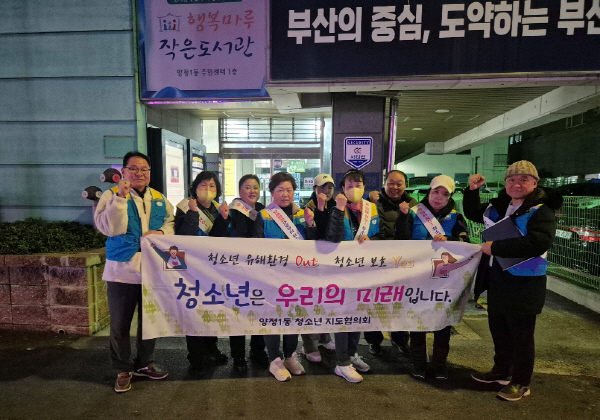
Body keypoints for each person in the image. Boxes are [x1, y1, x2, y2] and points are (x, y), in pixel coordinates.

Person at [463, 161, 561, 401]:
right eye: (511, 179)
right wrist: (472, 191)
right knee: (499, 329)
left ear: (535, 183)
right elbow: (474, 213)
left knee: (521, 336)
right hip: (498, 277)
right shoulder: (500, 206)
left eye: (523, 179)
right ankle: (501, 371)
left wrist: (496, 247)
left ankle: (521, 381)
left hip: (526, 281)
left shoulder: (541, 210)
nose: (516, 184)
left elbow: (538, 242)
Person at [95, 151, 174, 393]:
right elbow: (110, 228)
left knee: (150, 321)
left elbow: (171, 223)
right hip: (121, 270)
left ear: (150, 172)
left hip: (153, 270)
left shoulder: (159, 198)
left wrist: (161, 233)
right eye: (134, 168)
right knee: (120, 323)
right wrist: (120, 198)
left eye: (144, 169)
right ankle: (122, 368)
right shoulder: (110, 195)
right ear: (124, 171)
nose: (139, 173)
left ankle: (144, 363)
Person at [395, 175, 469, 380]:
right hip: (418, 277)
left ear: (450, 197)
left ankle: (439, 365)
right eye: (436, 192)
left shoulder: (456, 217)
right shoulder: (413, 213)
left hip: (445, 280)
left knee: (442, 322)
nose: (439, 197)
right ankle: (418, 363)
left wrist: (450, 239)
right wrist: (402, 217)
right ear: (429, 192)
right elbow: (400, 240)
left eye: (445, 194)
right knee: (417, 321)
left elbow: (466, 243)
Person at [253, 172, 316, 381]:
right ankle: (275, 359)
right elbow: (255, 245)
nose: (285, 194)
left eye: (289, 190)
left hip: (297, 276)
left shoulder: (302, 215)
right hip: (271, 277)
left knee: (293, 316)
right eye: (280, 190)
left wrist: (311, 225)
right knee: (272, 316)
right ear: (272, 192)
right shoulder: (263, 215)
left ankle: (290, 356)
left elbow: (313, 246)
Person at [325, 169, 379, 383]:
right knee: (342, 316)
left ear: (364, 188)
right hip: (341, 272)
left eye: (358, 185)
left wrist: (373, 241)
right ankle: (342, 362)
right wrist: (339, 210)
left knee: (357, 314)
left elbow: (383, 235)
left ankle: (351, 353)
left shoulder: (371, 208)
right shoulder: (336, 208)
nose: (354, 189)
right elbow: (332, 238)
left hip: (364, 272)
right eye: (349, 186)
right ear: (342, 189)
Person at [174, 171, 230, 373]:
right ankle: (196, 355)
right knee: (194, 311)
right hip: (191, 269)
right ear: (195, 188)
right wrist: (192, 213)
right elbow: (183, 236)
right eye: (203, 185)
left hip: (212, 268)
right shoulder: (184, 206)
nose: (208, 189)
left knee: (211, 309)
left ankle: (211, 348)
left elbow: (217, 238)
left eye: (212, 186)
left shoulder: (218, 208)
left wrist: (224, 219)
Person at [366, 170, 418, 356]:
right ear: (384, 183)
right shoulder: (373, 202)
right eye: (391, 183)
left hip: (401, 264)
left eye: (399, 183)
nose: (395, 187)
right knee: (373, 302)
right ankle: (374, 341)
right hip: (377, 262)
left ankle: (400, 339)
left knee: (399, 303)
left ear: (405, 185)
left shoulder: (414, 205)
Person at [225, 174, 268, 372]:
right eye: (247, 187)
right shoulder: (232, 211)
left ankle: (258, 350)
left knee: (259, 310)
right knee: (238, 312)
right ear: (240, 190)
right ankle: (238, 356)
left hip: (259, 271)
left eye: (256, 187)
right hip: (237, 270)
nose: (252, 191)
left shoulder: (263, 210)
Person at [301, 173, 337, 362]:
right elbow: (315, 236)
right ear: (314, 189)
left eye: (330, 187)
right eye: (322, 187)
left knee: (327, 301)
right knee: (310, 303)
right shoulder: (306, 209)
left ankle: (325, 337)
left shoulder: (338, 206)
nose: (326, 190)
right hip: (312, 264)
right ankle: (309, 345)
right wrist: (321, 210)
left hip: (331, 263)